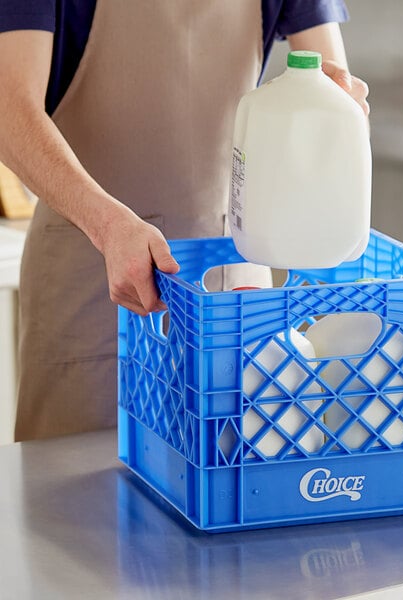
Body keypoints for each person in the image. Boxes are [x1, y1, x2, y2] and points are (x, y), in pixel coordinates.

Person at [0, 1, 370, 441]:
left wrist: (336, 100)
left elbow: (335, 82)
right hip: (95, 271)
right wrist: (107, 225)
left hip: (233, 276)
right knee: (78, 488)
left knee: (237, 476)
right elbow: (9, 109)